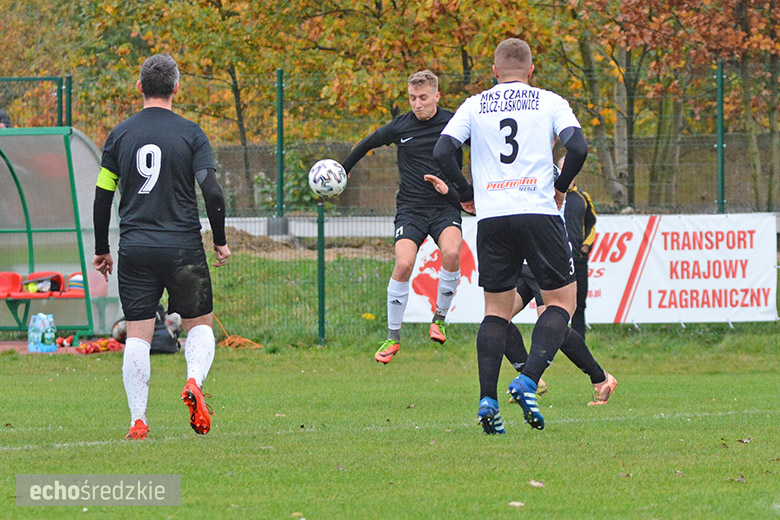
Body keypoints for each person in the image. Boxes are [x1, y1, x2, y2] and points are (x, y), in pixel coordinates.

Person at [433, 38, 591, 434]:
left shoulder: (475, 104)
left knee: (495, 312)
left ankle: (487, 399)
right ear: (531, 72)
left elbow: (442, 150)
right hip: (538, 211)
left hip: (493, 218)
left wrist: (467, 194)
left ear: (494, 71)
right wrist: (562, 187)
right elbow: (579, 147)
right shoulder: (548, 101)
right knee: (560, 301)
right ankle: (527, 379)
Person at [92, 54, 230, 440]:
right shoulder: (191, 133)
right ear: (176, 87)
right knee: (199, 325)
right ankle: (192, 380)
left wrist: (103, 248)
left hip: (135, 247)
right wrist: (219, 240)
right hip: (182, 245)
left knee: (137, 333)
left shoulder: (119, 135)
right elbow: (213, 192)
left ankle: (139, 421)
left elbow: (103, 197)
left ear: (139, 87)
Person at [341, 70, 469, 364]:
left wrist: (461, 191)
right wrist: (344, 168)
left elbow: (485, 147)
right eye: (412, 98)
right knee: (403, 263)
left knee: (451, 252)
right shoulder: (401, 126)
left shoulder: (455, 123)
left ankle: (439, 318)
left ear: (437, 96)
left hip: (444, 207)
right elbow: (367, 143)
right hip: (410, 209)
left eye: (423, 98)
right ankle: (393, 337)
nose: (417, 104)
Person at [561, 159, 597, 338]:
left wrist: (586, 244)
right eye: (562, 169)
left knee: (579, 304)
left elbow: (592, 223)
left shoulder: (583, 197)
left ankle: (579, 341)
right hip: (557, 258)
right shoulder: (549, 195)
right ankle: (555, 340)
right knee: (553, 304)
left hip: (578, 259)